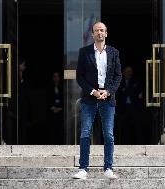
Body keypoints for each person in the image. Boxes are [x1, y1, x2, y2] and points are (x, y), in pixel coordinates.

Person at [72, 21, 122, 179]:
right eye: (96, 31)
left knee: (108, 134)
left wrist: (108, 91)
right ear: (92, 34)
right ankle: (83, 169)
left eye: (102, 30)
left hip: (108, 99)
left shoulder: (114, 52)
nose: (99, 33)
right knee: (85, 133)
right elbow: (79, 76)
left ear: (106, 33)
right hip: (89, 98)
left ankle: (108, 168)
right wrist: (93, 92)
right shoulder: (84, 52)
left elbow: (118, 76)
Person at [116, 66, 144, 144]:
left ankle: (139, 143)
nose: (129, 73)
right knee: (124, 127)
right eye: (127, 71)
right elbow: (117, 94)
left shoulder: (136, 82)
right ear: (123, 73)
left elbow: (139, 94)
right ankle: (124, 143)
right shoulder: (119, 82)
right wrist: (131, 90)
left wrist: (125, 90)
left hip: (134, 108)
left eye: (130, 71)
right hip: (123, 108)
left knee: (137, 127)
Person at [47, 71, 64, 144]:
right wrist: (53, 108)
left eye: (57, 76)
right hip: (52, 111)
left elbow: (65, 99)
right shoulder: (49, 87)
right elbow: (47, 99)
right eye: (54, 76)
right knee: (52, 129)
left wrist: (60, 108)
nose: (56, 78)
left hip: (61, 111)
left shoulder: (63, 87)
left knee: (60, 129)